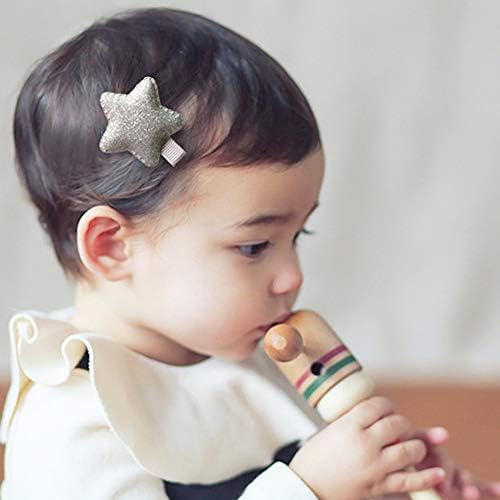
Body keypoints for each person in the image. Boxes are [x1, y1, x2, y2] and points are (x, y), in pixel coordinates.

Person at [0, 7, 498, 500]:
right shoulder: (70, 427)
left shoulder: (244, 358)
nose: (292, 278)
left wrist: (388, 483)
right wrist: (310, 488)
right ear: (112, 247)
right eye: (253, 246)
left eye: (298, 235)